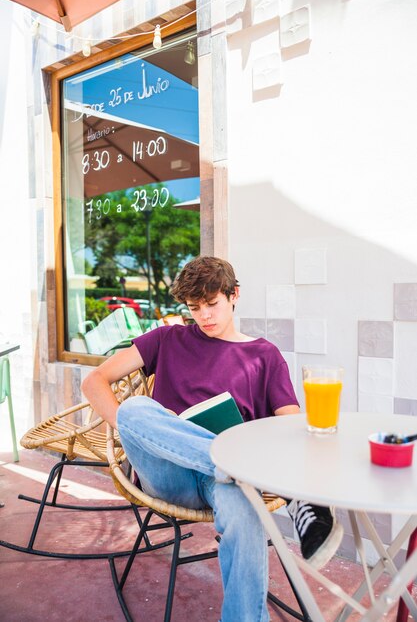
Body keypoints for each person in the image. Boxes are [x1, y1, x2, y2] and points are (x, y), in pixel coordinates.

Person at [82, 256, 343, 622]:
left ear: (234, 295)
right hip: (166, 470)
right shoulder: (166, 338)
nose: (204, 316)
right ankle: (270, 482)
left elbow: (288, 425)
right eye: (194, 308)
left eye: (212, 304)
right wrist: (136, 426)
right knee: (135, 408)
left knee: (243, 508)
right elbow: (93, 381)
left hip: (225, 482)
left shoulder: (263, 356)